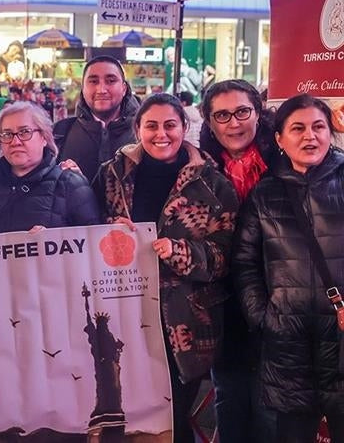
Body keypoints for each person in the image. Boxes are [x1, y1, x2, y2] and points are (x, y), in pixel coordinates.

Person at [93, 93, 239, 443]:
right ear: (137, 128)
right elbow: (83, 229)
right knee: (125, 420)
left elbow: (223, 258)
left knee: (171, 421)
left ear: (185, 127)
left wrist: (178, 251)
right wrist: (109, 230)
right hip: (123, 317)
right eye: (152, 125)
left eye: (170, 125)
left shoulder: (213, 184)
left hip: (184, 325)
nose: (162, 134)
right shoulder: (112, 174)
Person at [232, 94, 344, 443]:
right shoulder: (264, 194)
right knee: (292, 433)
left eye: (318, 127)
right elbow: (244, 262)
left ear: (331, 133)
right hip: (287, 340)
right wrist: (264, 317)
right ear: (279, 139)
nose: (309, 136)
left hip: (341, 336)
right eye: (298, 128)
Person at [198, 79, 278, 443]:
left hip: (278, 297)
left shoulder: (284, 159)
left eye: (242, 111)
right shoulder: (198, 170)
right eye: (223, 115)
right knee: (228, 400)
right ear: (210, 122)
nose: (234, 123)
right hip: (221, 301)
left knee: (270, 405)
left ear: (258, 113)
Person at [0, 102, 100, 237]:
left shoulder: (71, 184)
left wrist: (55, 240)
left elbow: (94, 242)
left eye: (25, 132)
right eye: (7, 134)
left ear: (44, 137)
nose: (15, 142)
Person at [54, 56, 140, 181]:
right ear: (83, 89)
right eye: (93, 81)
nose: (101, 90)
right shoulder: (60, 133)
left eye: (110, 81)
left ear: (124, 88)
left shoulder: (144, 134)